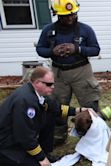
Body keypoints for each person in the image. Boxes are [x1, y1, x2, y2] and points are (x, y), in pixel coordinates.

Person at [0, 67, 85, 166]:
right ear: (37, 83)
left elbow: (56, 108)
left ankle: (44, 152)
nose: (53, 87)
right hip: (7, 146)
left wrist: (78, 111)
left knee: (50, 113)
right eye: (49, 84)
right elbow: (25, 136)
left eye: (53, 84)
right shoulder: (26, 101)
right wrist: (41, 159)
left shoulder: (35, 93)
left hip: (19, 139)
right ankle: (6, 165)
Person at [36, 0, 101, 145]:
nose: (70, 18)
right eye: (65, 16)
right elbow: (40, 49)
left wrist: (77, 49)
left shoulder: (86, 30)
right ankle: (59, 137)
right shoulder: (48, 30)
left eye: (72, 14)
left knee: (90, 104)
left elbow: (95, 49)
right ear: (56, 14)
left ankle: (94, 135)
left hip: (82, 71)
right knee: (57, 106)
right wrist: (52, 51)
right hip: (58, 73)